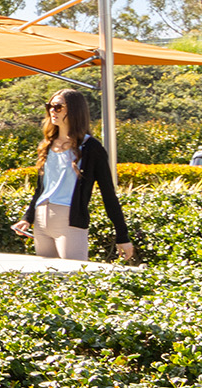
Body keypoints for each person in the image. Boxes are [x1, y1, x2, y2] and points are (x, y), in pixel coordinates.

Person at [13, 89, 136, 263]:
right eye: (50, 106)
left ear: (74, 110)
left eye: (58, 107)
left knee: (74, 274)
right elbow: (41, 189)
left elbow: (108, 193)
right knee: (46, 276)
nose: (52, 111)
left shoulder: (91, 148)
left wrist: (122, 236)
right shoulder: (47, 145)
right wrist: (27, 218)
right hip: (41, 219)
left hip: (69, 219)